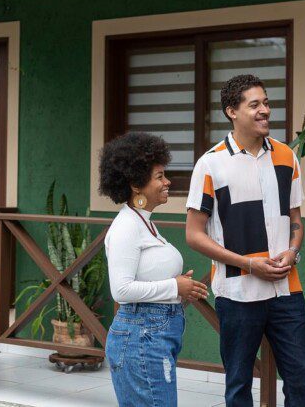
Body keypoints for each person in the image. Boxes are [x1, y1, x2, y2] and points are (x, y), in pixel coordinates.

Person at [185, 74, 305, 407]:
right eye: (254, 104)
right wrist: (248, 264)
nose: (265, 111)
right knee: (239, 385)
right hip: (237, 294)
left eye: (267, 103)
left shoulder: (287, 157)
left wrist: (292, 252)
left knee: (301, 383)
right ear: (232, 111)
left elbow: (296, 221)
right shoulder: (211, 163)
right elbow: (193, 234)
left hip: (287, 291)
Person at [100, 132, 208, 407]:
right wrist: (175, 287)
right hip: (141, 337)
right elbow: (121, 290)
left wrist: (178, 288)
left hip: (151, 335)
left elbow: (146, 274)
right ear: (137, 184)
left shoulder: (144, 222)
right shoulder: (127, 226)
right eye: (159, 176)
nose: (167, 181)